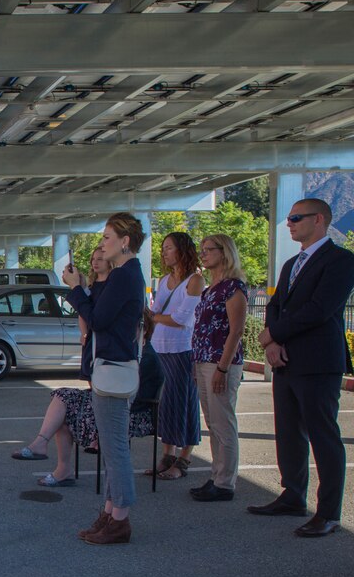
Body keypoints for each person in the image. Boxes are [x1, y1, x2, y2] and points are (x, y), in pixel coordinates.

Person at [252, 198, 354, 537]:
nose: (290, 223)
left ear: (319, 220)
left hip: (318, 363)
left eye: (297, 218)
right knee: (289, 433)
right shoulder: (292, 263)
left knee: (323, 436)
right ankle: (293, 496)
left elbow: (319, 309)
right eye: (289, 218)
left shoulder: (341, 261)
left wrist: (274, 335)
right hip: (286, 361)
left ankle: (328, 513)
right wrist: (273, 342)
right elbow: (276, 305)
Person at [63, 212, 146, 545]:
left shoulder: (126, 276)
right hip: (109, 366)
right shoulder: (125, 274)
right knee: (112, 448)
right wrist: (83, 287)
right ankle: (111, 512)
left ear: (124, 242)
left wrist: (76, 290)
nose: (102, 243)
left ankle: (120, 519)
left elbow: (97, 318)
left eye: (107, 237)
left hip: (113, 367)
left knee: (115, 450)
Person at [12, 311, 163, 487]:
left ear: (144, 330)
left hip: (133, 411)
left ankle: (60, 466)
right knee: (62, 397)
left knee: (66, 410)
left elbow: (128, 393)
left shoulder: (146, 356)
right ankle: (43, 446)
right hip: (111, 398)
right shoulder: (129, 350)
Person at [190, 234, 248, 503]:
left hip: (220, 363)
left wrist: (222, 369)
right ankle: (216, 476)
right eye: (202, 250)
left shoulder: (233, 288)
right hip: (203, 361)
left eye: (208, 250)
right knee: (213, 423)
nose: (203, 254)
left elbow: (236, 330)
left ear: (224, 252)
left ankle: (225, 483)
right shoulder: (211, 288)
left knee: (223, 423)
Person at [149, 232, 204, 480]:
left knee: (185, 402)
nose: (164, 252)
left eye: (169, 247)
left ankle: (184, 458)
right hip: (159, 348)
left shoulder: (195, 280)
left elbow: (181, 319)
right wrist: (154, 317)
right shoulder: (163, 281)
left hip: (182, 349)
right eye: (163, 248)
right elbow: (155, 312)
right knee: (166, 404)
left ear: (182, 250)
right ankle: (168, 455)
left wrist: (155, 318)